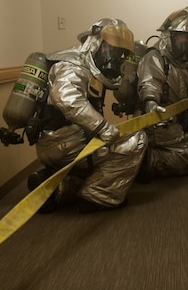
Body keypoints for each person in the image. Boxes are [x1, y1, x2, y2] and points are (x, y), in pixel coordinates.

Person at [28, 18, 148, 213]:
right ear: (95, 43)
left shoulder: (86, 67)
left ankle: (60, 188)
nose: (114, 58)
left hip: (61, 143)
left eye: (119, 54)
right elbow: (67, 99)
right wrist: (102, 128)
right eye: (110, 50)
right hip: (65, 143)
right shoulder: (73, 64)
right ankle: (99, 194)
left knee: (107, 152)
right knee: (137, 140)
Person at [135, 4, 188, 178]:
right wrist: (151, 103)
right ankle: (147, 161)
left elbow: (184, 88)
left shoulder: (180, 62)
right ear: (169, 37)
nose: (186, 43)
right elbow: (149, 84)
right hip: (156, 128)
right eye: (181, 38)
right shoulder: (154, 57)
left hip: (173, 125)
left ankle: (144, 159)